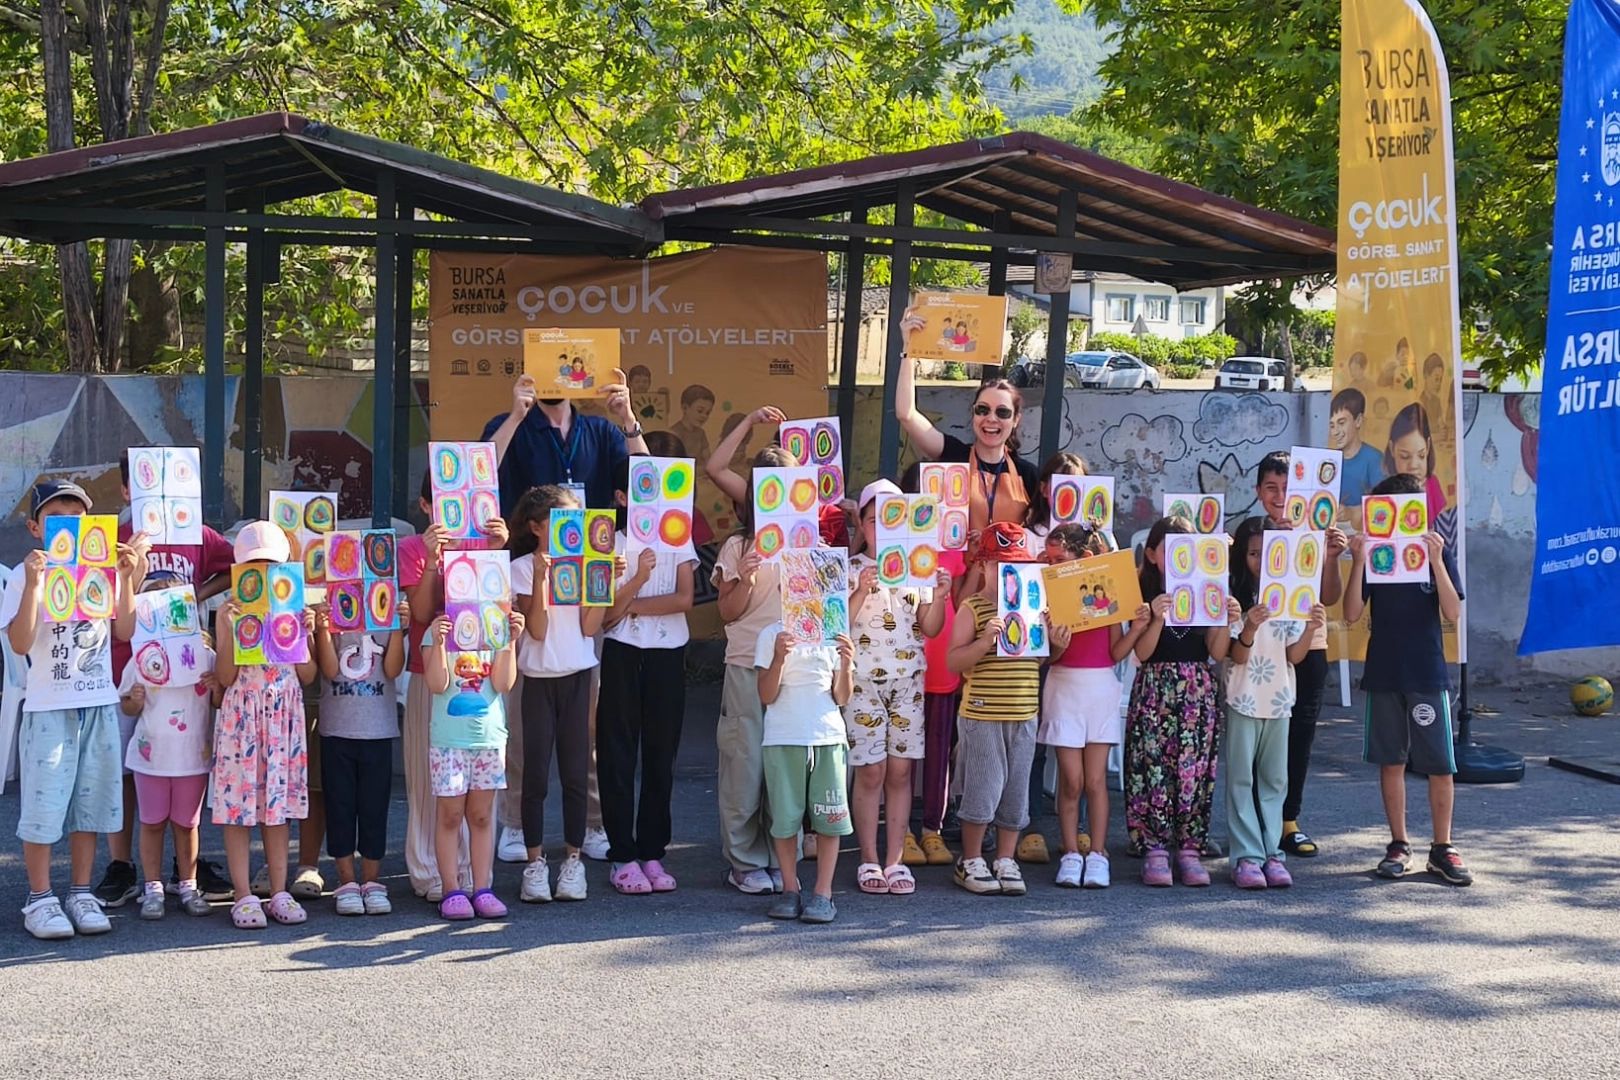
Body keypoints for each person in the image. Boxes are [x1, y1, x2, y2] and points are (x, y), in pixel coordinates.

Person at [486, 370, 643, 860]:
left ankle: (591, 824)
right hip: (532, 576)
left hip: (586, 581)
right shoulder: (513, 422)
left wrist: (628, 417)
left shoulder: (600, 430)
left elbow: (648, 484)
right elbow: (478, 472)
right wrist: (516, 414)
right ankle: (515, 823)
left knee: (586, 723)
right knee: (521, 721)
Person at [5, 481, 146, 939]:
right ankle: (39, 898)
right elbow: (21, 642)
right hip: (49, 708)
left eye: (79, 518)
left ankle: (81, 891)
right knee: (44, 805)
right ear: (35, 527)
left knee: (91, 803)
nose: (71, 526)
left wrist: (125, 576)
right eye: (56, 519)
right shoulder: (24, 575)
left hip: (99, 703)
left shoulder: (99, 570)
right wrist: (34, 581)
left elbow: (123, 628)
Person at [95, 457, 236, 910]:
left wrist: (197, 594)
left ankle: (182, 869)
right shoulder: (120, 537)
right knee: (126, 769)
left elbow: (239, 567)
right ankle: (123, 866)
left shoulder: (194, 529)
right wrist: (127, 571)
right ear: (125, 490)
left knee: (182, 771)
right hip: (127, 665)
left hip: (186, 666)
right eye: (142, 482)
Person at [1342, 473, 1471, 886]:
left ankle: (1442, 847)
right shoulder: (1376, 553)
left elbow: (1453, 612)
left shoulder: (1434, 550)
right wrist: (1359, 558)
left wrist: (1436, 559)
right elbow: (1349, 613)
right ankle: (1399, 843)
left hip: (1427, 673)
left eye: (1407, 512)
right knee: (1391, 760)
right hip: (1384, 671)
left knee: (1439, 763)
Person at [945, 522, 1069, 896]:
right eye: (999, 564)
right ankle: (969, 859)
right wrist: (983, 642)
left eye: (1015, 565)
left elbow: (1039, 661)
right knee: (984, 786)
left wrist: (1058, 643)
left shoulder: (1034, 607)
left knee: (1016, 789)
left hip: (1024, 712)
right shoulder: (974, 608)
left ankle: (1005, 858)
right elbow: (953, 662)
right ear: (982, 565)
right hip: (982, 715)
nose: (1007, 573)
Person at [400, 471, 508, 899]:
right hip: (432, 668)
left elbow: (497, 611)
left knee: (478, 797)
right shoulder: (414, 546)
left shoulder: (484, 543)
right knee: (433, 788)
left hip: (482, 681)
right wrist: (431, 559)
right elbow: (423, 610)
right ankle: (433, 876)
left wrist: (497, 549)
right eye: (442, 504)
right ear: (426, 506)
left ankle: (476, 880)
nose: (455, 512)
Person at [210, 522, 319, 929]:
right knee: (239, 807)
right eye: (253, 565)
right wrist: (225, 629)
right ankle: (243, 895)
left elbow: (307, 674)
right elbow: (225, 676)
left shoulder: (291, 607)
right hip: (242, 715)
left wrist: (305, 631)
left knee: (278, 807)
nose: (262, 572)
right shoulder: (231, 610)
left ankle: (279, 890)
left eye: (271, 565)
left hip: (282, 715)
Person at [598, 460, 698, 895]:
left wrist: (632, 603)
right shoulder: (608, 544)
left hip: (667, 654)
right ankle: (621, 853)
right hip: (621, 653)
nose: (653, 500)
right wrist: (635, 579)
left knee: (661, 756)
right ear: (622, 497)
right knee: (618, 754)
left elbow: (684, 598)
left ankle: (652, 850)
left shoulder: (679, 538)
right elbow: (603, 617)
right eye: (640, 490)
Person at [844, 480, 948, 896]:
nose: (882, 529)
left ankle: (895, 861)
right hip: (862, 680)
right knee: (871, 771)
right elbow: (837, 624)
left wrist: (939, 595)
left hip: (909, 681)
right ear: (863, 523)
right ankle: (868, 857)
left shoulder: (919, 567)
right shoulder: (850, 567)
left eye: (891, 520)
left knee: (901, 771)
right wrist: (859, 588)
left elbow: (931, 627)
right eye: (874, 520)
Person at [1126, 516, 1238, 887]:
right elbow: (1141, 653)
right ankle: (1154, 848)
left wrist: (1224, 616)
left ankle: (1189, 848)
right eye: (1171, 548)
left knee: (1193, 771)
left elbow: (1217, 651)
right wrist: (1156, 617)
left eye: (1188, 548)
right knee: (1152, 767)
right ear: (1154, 553)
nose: (1180, 556)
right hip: (1155, 687)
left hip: (1197, 690)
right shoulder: (1142, 594)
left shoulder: (1208, 589)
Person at [508, 485, 607, 903]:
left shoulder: (588, 563)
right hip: (537, 679)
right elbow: (538, 630)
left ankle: (572, 861)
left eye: (577, 520)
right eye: (562, 522)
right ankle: (534, 864)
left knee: (574, 772)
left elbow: (589, 628)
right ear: (536, 527)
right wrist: (541, 577)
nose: (573, 529)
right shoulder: (520, 568)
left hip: (579, 676)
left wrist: (605, 578)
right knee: (535, 774)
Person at [712, 445, 799, 894]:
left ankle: (783, 854)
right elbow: (727, 613)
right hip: (747, 663)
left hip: (796, 670)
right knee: (744, 763)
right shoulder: (738, 545)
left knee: (787, 765)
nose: (778, 497)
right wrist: (743, 577)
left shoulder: (808, 541)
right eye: (769, 489)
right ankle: (744, 860)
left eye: (786, 488)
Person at [1253, 451, 1346, 858]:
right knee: (1257, 734)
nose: (1279, 495)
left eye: (1287, 488)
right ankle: (1256, 818)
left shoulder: (1319, 533)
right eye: (1271, 487)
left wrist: (1331, 558)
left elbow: (1330, 596)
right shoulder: (1252, 535)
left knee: (1300, 732)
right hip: (1262, 648)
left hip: (1311, 643)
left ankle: (1288, 819)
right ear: (1258, 493)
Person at [1040, 523, 1143, 889]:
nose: (1051, 566)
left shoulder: (1107, 595)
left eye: (1058, 559)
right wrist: (1055, 642)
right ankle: (1070, 852)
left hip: (1100, 689)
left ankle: (1097, 854)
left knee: (1097, 780)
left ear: (1082, 559)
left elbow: (1116, 652)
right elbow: (1048, 658)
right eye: (1048, 559)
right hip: (1063, 688)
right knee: (1072, 780)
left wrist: (1136, 628)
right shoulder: (1047, 599)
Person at [1225, 517, 1323, 890]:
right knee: (1240, 779)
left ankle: (1272, 854)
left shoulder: (1292, 595)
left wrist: (1312, 627)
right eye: (1253, 553)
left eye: (1268, 554)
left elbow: (1294, 656)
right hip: (1243, 698)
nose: (1260, 561)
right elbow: (1234, 655)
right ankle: (1246, 856)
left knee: (1274, 780)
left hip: (1280, 701)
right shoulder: (1235, 600)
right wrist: (1248, 627)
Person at [118, 574, 218, 920]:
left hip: (192, 758)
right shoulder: (140, 659)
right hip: (151, 758)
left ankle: (188, 884)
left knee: (187, 824)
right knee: (152, 822)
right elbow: (127, 707)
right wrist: (133, 699)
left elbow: (220, 697)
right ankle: (152, 887)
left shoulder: (206, 656)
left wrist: (214, 684)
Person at [896, 311, 1039, 539]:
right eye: (983, 409)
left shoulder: (1028, 475)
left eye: (1002, 412)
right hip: (956, 574)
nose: (991, 418)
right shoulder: (953, 455)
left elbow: (1040, 536)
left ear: (1015, 420)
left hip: (1005, 574)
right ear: (973, 414)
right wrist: (908, 350)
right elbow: (906, 414)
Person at [422, 607, 524, 919]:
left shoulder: (495, 630)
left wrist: (509, 641)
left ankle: (482, 888)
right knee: (450, 815)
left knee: (481, 816)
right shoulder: (437, 629)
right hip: (449, 742)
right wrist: (439, 643)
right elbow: (438, 684)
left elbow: (505, 683)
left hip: (489, 740)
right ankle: (451, 890)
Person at [312, 593, 408, 916]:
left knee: (373, 808)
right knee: (339, 806)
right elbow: (327, 668)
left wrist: (397, 627)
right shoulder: (334, 607)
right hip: (337, 729)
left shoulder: (385, 607)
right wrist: (323, 629)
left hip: (378, 730)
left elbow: (393, 670)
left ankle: (372, 881)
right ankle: (346, 881)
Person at [757, 621, 855, 924]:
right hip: (784, 737)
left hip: (828, 736)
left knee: (830, 819)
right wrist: (778, 658)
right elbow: (766, 694)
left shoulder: (834, 631)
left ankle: (823, 893)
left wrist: (848, 664)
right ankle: (790, 888)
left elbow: (842, 697)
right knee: (785, 818)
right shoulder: (772, 633)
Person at [1383, 402, 1457, 550]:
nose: (1414, 465)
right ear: (1392, 449)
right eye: (1404, 457)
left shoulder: (1432, 483)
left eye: (1421, 455)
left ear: (1428, 447)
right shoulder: (1385, 489)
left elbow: (1442, 529)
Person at [1328, 389, 1386, 508]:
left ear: (1358, 421)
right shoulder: (1328, 461)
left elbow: (1383, 504)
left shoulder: (1374, 459)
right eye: (1332, 425)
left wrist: (1352, 513)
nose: (1335, 432)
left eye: (1342, 423)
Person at [668, 384, 716, 469]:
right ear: (685, 408)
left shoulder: (701, 433)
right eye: (700, 411)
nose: (704, 416)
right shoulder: (674, 433)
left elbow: (708, 458)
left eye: (707, 413)